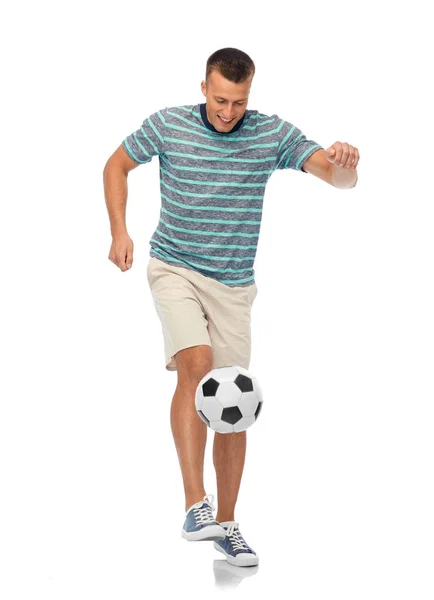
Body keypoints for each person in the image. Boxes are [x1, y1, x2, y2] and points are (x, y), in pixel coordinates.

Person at [102, 47, 359, 567]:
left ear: (250, 95)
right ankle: (196, 505)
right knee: (197, 367)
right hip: (174, 267)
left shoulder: (269, 134)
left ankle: (227, 524)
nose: (228, 112)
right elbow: (116, 163)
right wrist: (119, 231)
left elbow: (336, 179)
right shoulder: (169, 126)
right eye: (220, 99)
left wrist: (346, 166)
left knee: (233, 405)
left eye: (238, 102)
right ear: (204, 88)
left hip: (234, 286)